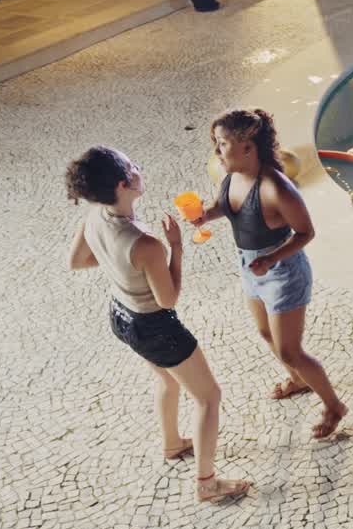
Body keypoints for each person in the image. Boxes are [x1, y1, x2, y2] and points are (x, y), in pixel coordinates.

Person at [65, 146, 249, 502]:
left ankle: (172, 443)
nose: (139, 168)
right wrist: (175, 248)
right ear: (123, 184)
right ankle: (207, 482)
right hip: (154, 326)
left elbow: (77, 260)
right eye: (133, 166)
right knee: (209, 397)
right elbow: (167, 300)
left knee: (165, 377)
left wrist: (119, 267)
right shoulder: (146, 245)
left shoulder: (93, 217)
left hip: (121, 317)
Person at [193, 108, 347, 439]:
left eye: (222, 144)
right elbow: (227, 204)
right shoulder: (230, 176)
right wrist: (207, 214)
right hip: (250, 267)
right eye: (217, 143)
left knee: (291, 349)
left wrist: (272, 258)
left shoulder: (277, 188)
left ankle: (334, 405)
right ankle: (296, 380)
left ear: (248, 146)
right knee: (265, 333)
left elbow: (306, 233)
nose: (217, 151)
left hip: (283, 273)